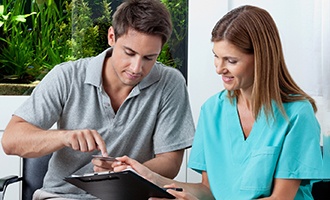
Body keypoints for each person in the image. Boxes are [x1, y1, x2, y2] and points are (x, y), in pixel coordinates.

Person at [111, 5, 324, 200]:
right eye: (216, 57)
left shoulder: (296, 114)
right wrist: (150, 177)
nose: (219, 68)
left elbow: (280, 199)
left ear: (261, 58)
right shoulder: (213, 110)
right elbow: (208, 190)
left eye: (231, 61)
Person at [1, 0, 195, 199]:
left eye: (149, 58)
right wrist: (64, 137)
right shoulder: (66, 76)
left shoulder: (170, 83)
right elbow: (11, 141)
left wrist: (130, 172)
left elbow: (170, 161)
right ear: (112, 36)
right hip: (63, 196)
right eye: (129, 53)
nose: (137, 68)